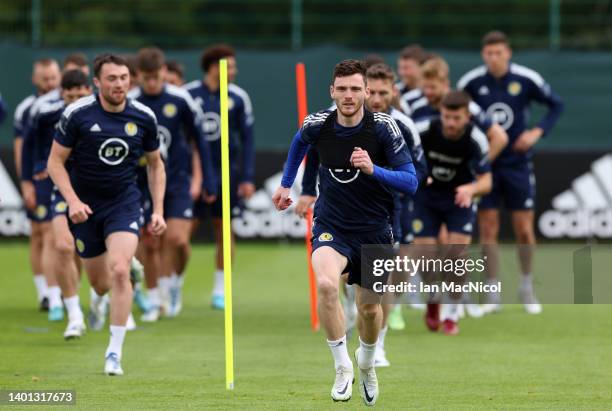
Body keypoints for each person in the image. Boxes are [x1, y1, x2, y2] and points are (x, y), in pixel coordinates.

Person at [273, 59, 418, 405]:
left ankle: (366, 364)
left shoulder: (384, 128)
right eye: (342, 89)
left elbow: (411, 182)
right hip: (332, 225)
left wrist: (373, 169)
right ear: (332, 91)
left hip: (375, 230)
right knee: (326, 284)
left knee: (369, 310)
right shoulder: (318, 123)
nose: (349, 95)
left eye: (356, 89)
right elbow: (299, 144)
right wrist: (285, 184)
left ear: (367, 92)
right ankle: (341, 367)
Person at [47, 53, 166, 375]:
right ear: (97, 82)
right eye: (112, 78)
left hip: (124, 203)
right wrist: (72, 201)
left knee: (119, 270)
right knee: (100, 283)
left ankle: (114, 353)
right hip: (84, 207)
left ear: (131, 80)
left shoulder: (143, 116)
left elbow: (156, 165)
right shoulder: (77, 115)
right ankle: (98, 299)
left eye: (124, 78)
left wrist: (157, 210)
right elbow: (54, 163)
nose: (119, 84)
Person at [457, 31, 564, 314]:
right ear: (483, 55)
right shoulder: (471, 83)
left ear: (509, 53)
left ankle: (526, 286)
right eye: (489, 53)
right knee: (488, 229)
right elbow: (456, 113)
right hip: (486, 165)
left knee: (524, 231)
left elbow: (556, 104)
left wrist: (536, 132)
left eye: (499, 53)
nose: (494, 58)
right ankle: (492, 291)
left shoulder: (526, 79)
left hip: (517, 164)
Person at [130, 47, 217, 320]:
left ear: (164, 73)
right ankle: (156, 299)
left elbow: (199, 140)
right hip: (143, 182)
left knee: (177, 239)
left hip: (178, 180)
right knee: (150, 241)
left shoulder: (180, 100)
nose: (152, 83)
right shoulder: (132, 102)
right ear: (139, 76)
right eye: (147, 78)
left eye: (156, 77)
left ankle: (174, 285)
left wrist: (208, 179)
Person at [413, 91, 492, 335]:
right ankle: (434, 298)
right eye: (447, 116)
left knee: (457, 257)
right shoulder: (423, 130)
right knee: (425, 258)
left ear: (467, 117)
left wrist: (471, 188)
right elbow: (401, 157)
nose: (450, 123)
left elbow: (487, 182)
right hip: (426, 197)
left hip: (459, 199)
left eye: (456, 118)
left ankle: (452, 310)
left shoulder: (476, 139)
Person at [185, 44, 255, 310]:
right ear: (215, 67)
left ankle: (219, 289)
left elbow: (248, 141)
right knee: (182, 234)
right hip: (193, 174)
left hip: (227, 174)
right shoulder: (189, 94)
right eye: (231, 65)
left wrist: (247, 177)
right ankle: (173, 286)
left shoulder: (238, 97)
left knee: (223, 230)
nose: (234, 71)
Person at [22, 69, 92, 334]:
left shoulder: (100, 115)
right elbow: (32, 145)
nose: (74, 100)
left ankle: (100, 297)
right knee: (61, 245)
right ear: (61, 93)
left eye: (79, 94)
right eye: (69, 95)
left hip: (95, 191)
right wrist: (37, 168)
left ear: (89, 91)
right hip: (61, 190)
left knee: (91, 254)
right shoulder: (46, 116)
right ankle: (67, 309)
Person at [14, 58, 61, 311]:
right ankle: (44, 291)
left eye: (54, 78)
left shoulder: (70, 103)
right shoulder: (28, 108)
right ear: (35, 79)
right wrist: (26, 183)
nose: (50, 83)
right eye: (45, 79)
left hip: (63, 181)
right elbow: (23, 148)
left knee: (56, 237)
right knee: (40, 234)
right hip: (39, 180)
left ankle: (58, 289)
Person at [396, 45, 426, 115]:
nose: (402, 72)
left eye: (406, 68)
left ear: (421, 67)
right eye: (400, 68)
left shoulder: (431, 94)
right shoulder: (394, 91)